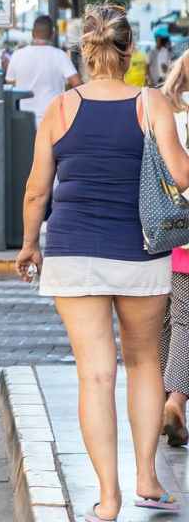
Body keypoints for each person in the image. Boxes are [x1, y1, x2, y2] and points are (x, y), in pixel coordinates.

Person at [17, 3, 189, 522]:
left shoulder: (60, 110)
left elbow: (35, 190)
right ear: (129, 50)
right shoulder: (151, 102)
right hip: (141, 251)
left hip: (72, 251)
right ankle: (147, 478)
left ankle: (108, 498)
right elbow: (180, 175)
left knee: (94, 375)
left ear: (84, 53)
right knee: (143, 365)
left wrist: (30, 245)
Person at [158, 52, 189, 448]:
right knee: (186, 322)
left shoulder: (163, 113)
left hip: (160, 227)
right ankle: (175, 398)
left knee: (165, 321)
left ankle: (164, 401)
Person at [6, 16, 82, 127]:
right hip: (54, 120)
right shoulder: (60, 55)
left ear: (32, 33)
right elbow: (78, 84)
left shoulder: (17, 55)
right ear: (52, 34)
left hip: (25, 120)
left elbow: (10, 86)